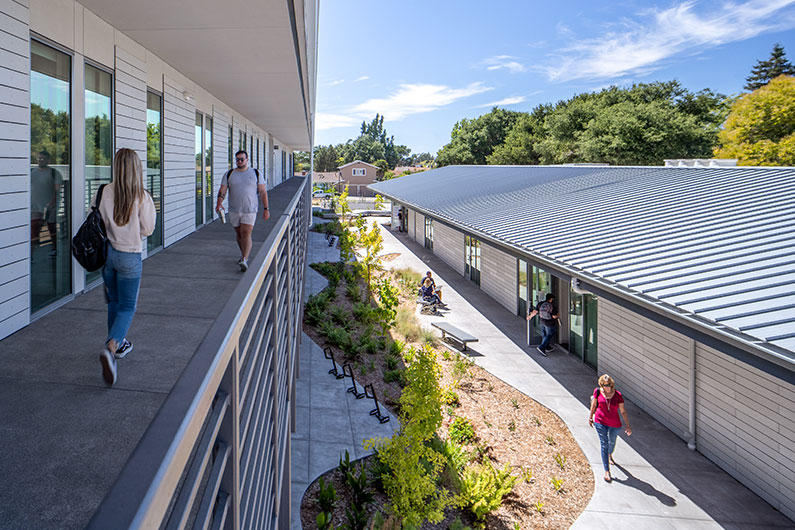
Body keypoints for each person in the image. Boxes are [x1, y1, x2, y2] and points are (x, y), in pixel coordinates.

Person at [96, 148, 156, 386]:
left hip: (108, 256)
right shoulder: (141, 195)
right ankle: (111, 347)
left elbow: (96, 219)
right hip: (130, 255)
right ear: (136, 169)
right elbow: (148, 229)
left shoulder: (103, 191)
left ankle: (118, 344)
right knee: (128, 306)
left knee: (114, 302)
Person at [216, 150, 269, 271]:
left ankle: (245, 259)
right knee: (239, 234)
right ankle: (243, 255)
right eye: (237, 159)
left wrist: (266, 209)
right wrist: (218, 204)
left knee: (246, 233)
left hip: (250, 209)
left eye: (242, 159)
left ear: (247, 159)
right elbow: (222, 190)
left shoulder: (256, 173)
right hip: (234, 209)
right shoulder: (229, 174)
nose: (239, 161)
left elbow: (262, 192)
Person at [588, 374, 632, 482]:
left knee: (612, 442)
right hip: (600, 421)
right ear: (601, 385)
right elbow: (594, 405)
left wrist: (628, 426)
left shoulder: (618, 395)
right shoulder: (597, 392)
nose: (607, 387)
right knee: (604, 444)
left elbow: (623, 411)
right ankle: (606, 471)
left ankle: (609, 454)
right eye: (604, 385)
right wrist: (590, 417)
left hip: (614, 424)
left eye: (609, 385)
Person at [30, 151, 63, 258]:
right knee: (34, 232)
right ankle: (30, 255)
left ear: (49, 160)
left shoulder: (54, 173)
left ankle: (55, 249)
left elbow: (57, 190)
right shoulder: (31, 172)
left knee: (52, 229)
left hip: (49, 208)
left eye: (43, 158)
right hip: (34, 207)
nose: (41, 160)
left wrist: (52, 203)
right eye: (39, 158)